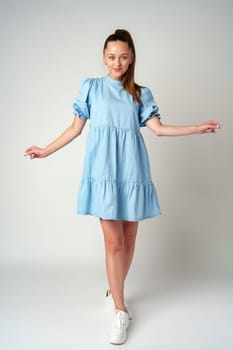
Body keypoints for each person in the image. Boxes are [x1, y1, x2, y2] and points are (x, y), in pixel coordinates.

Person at [24, 29, 220, 345]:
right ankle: (120, 309)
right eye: (112, 56)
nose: (117, 62)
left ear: (131, 60)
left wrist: (196, 128)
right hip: (103, 171)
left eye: (124, 57)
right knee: (114, 242)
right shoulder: (91, 88)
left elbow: (158, 129)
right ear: (104, 57)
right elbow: (75, 128)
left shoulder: (140, 93)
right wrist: (45, 150)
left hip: (133, 171)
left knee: (129, 238)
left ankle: (114, 288)